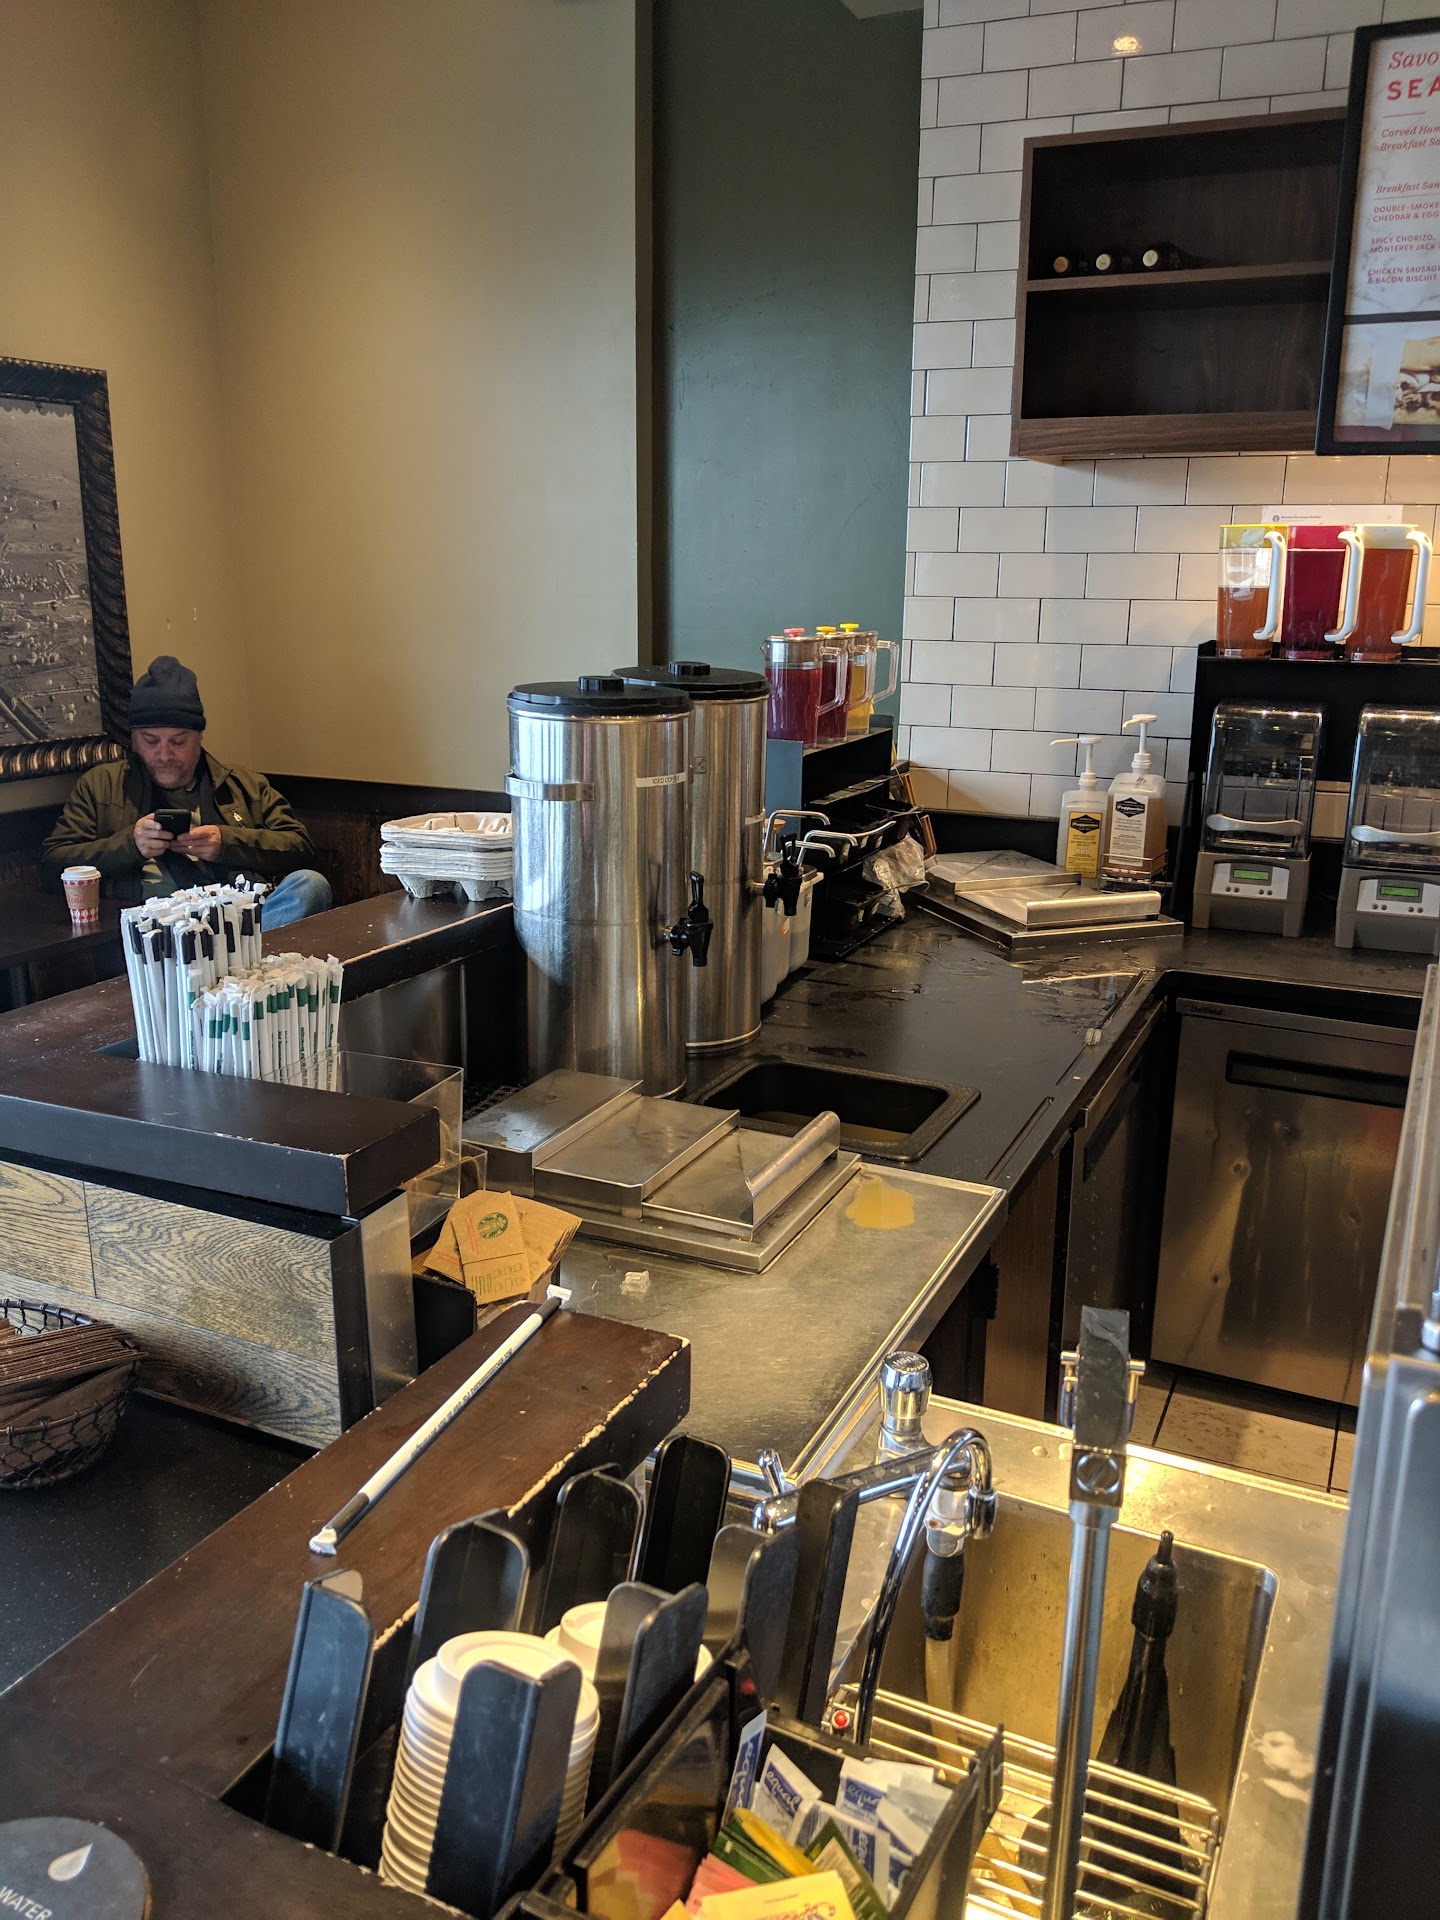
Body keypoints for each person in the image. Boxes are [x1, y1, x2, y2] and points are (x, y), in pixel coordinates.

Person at [40, 656, 333, 930]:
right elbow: (54, 864)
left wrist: (228, 842)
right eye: (151, 741)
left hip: (237, 917)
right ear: (134, 740)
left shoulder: (243, 784)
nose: (164, 754)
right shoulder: (100, 785)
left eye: (178, 741)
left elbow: (300, 848)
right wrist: (130, 845)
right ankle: (235, 962)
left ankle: (236, 956)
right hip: (157, 930)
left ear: (199, 737)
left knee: (311, 885)